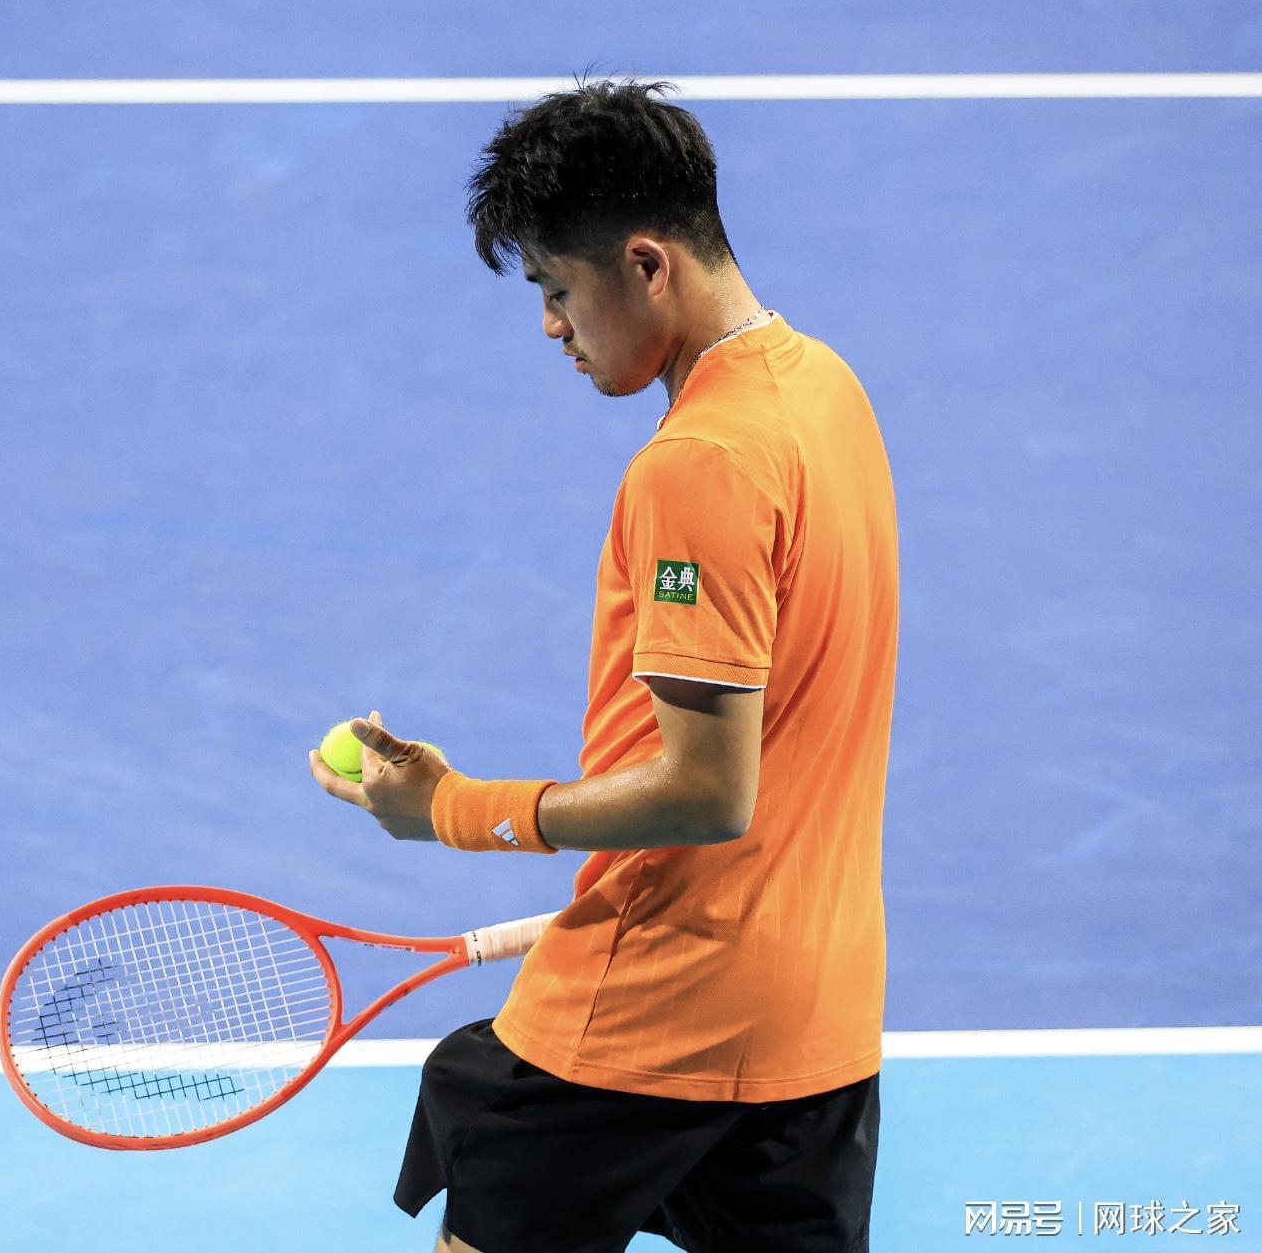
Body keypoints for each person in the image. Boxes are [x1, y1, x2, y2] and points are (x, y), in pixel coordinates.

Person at [308, 79, 899, 1253]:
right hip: (812, 1009)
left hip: (652, 1014)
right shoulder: (822, 387)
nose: (549, 327)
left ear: (643, 264)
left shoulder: (697, 463)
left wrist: (454, 810)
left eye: (554, 288)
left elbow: (707, 791)